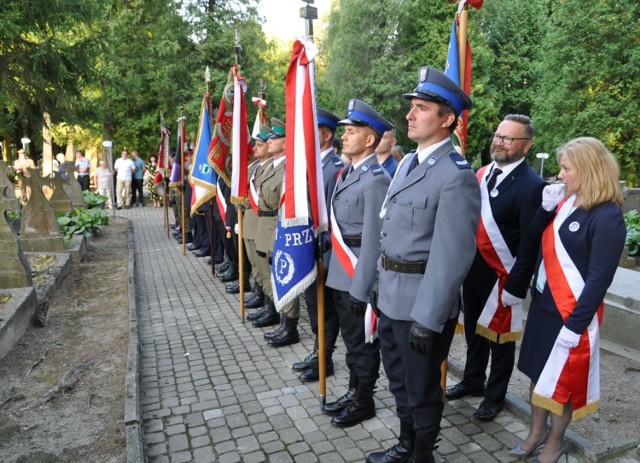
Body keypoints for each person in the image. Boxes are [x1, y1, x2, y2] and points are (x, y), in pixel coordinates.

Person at [367, 66, 480, 463]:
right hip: (392, 297)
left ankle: (421, 455)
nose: (410, 115)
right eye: (412, 107)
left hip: (421, 305)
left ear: (447, 119)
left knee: (422, 388)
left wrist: (428, 318)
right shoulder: (407, 163)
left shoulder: (455, 176)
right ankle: (405, 444)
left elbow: (453, 255)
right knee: (398, 381)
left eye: (421, 108)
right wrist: (378, 287)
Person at [511, 137, 625, 463]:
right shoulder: (564, 201)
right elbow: (532, 239)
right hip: (545, 305)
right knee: (537, 373)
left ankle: (555, 442)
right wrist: (545, 210)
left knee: (560, 382)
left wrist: (575, 325)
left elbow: (599, 279)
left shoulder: (607, 216)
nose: (560, 175)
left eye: (566, 168)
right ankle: (535, 432)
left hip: (569, 312)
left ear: (588, 170)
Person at [445, 114, 546, 422]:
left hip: (502, 276)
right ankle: (473, 379)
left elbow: (529, 244)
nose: (499, 143)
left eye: (508, 139)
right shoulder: (482, 173)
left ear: (526, 146)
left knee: (500, 340)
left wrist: (516, 286)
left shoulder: (533, 186)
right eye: (498, 136)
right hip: (472, 272)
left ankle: (494, 396)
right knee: (475, 331)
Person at [322, 99, 393, 428]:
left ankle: (364, 400)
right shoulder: (346, 173)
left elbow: (374, 239)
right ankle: (353, 391)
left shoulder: (375, 179)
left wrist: (362, 287)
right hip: (339, 269)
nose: (345, 136)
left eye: (352, 131)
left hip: (356, 274)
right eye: (345, 131)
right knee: (351, 342)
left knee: (363, 343)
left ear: (370, 139)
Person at [295, 108, 344, 382]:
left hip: (323, 252)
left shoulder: (334, 169)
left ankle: (325, 357)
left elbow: (332, 217)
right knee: (314, 306)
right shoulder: (313, 167)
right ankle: (318, 351)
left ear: (325, 136)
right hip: (308, 248)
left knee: (325, 309)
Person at [244, 125, 274, 315]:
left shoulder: (273, 167)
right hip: (251, 221)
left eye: (259, 145)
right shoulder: (254, 167)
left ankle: (271, 306)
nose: (254, 148)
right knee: (256, 266)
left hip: (264, 223)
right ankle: (262, 297)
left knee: (266, 270)